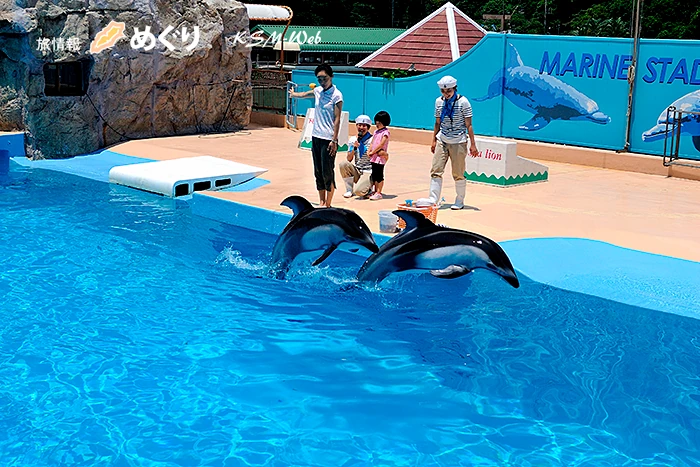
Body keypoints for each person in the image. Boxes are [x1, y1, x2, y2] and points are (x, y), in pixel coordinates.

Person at [289, 64, 343, 207]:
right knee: (318, 170)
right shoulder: (318, 91)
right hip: (316, 137)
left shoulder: (337, 95)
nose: (321, 81)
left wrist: (334, 140)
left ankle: (328, 203)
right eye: (319, 79)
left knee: (327, 171)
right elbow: (305, 94)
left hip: (328, 139)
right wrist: (294, 94)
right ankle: (321, 201)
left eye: (324, 78)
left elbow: (337, 119)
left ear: (331, 77)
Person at [430, 75, 479, 210]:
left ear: (454, 88)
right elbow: (437, 123)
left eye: (449, 91)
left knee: (458, 173)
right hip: (442, 139)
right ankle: (433, 199)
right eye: (443, 91)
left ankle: (459, 200)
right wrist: (433, 140)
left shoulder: (463, 102)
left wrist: (473, 145)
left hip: (459, 140)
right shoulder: (438, 102)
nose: (446, 94)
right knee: (436, 170)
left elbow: (469, 125)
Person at [339, 115, 374, 198]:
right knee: (343, 164)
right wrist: (354, 148)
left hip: (369, 171)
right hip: (358, 170)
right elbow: (349, 159)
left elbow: (372, 157)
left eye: (364, 126)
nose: (361, 127)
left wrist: (362, 148)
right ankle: (349, 190)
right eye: (359, 125)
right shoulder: (353, 140)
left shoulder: (372, 139)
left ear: (368, 127)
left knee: (359, 192)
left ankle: (368, 188)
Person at [367, 111, 391, 200]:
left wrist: (373, 152)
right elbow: (372, 142)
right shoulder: (376, 132)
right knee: (374, 174)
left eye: (379, 123)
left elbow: (381, 144)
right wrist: (369, 150)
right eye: (376, 122)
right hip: (374, 157)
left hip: (380, 157)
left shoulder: (386, 132)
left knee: (379, 175)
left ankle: (379, 192)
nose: (377, 124)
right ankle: (374, 190)